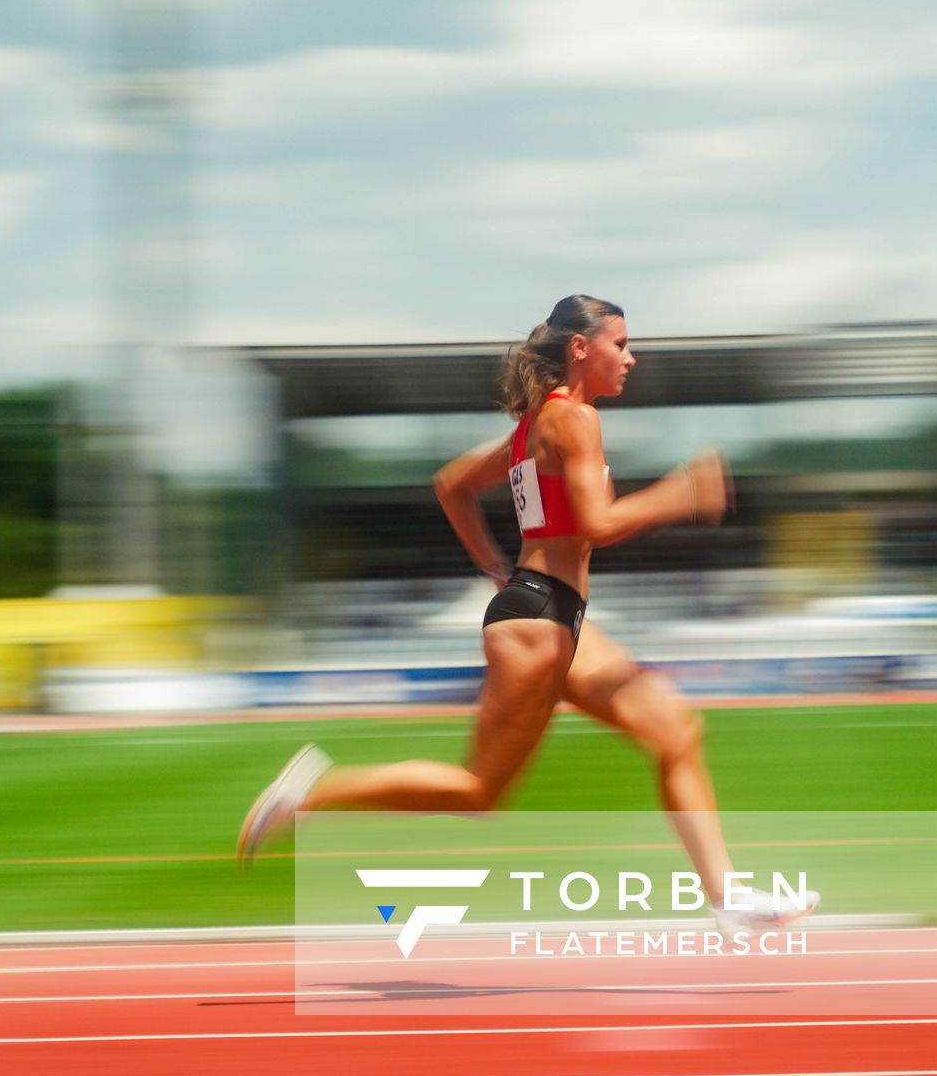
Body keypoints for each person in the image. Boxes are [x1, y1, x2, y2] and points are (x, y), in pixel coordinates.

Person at [237, 294, 817, 928]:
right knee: (477, 791)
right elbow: (597, 523)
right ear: (580, 348)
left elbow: (451, 484)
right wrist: (677, 496)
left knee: (676, 733)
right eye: (621, 344)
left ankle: (727, 897)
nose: (631, 358)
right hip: (537, 622)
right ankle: (308, 795)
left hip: (552, 614)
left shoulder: (534, 427)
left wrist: (494, 568)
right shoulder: (573, 419)